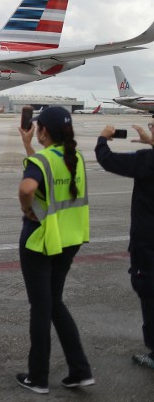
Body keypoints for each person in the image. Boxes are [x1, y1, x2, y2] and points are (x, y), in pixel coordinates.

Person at [15, 106, 94, 394]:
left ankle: (37, 377)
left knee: (41, 308)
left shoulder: (45, 160)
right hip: (69, 239)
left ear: (43, 131)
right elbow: (48, 171)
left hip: (40, 241)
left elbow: (28, 187)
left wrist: (27, 208)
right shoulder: (76, 158)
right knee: (55, 303)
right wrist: (27, 146)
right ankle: (80, 370)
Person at [95, 123, 154, 371]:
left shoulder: (147, 160)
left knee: (149, 295)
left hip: (148, 244)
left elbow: (107, 160)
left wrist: (102, 139)